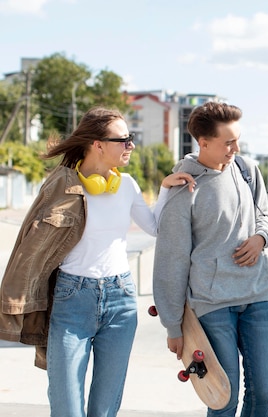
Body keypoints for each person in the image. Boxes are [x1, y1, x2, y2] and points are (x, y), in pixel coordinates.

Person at [0, 106, 194, 417]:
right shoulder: (62, 185)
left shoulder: (127, 185)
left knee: (104, 409)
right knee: (66, 406)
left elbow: (155, 227)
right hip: (71, 298)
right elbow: (29, 241)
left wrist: (165, 189)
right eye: (123, 140)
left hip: (121, 300)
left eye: (131, 139)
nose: (130, 145)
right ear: (97, 144)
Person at [153, 101, 268, 417]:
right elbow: (171, 260)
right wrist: (173, 325)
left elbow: (264, 215)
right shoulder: (183, 191)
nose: (235, 148)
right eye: (228, 142)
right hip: (213, 304)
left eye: (237, 139)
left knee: (264, 391)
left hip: (257, 295)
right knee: (223, 398)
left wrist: (261, 238)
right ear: (203, 142)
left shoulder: (247, 170)